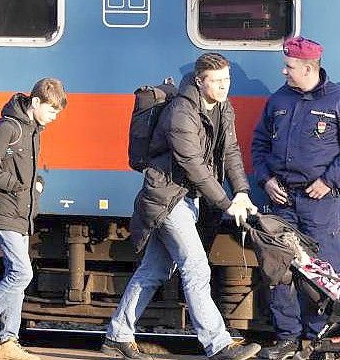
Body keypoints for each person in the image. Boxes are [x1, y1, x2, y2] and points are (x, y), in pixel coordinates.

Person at [101, 53, 261, 360]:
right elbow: (193, 165)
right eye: (217, 81)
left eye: (227, 80)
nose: (224, 86)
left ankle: (118, 335)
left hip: (188, 199)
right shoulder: (180, 112)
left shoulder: (224, 108)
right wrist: (225, 202)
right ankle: (218, 344)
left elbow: (230, 152)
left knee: (154, 269)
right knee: (196, 267)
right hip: (167, 198)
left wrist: (241, 191)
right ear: (200, 81)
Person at [252, 37, 340, 360]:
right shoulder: (278, 101)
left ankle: (318, 337)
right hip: (280, 201)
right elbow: (259, 145)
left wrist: (328, 181)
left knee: (325, 272)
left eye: (289, 67)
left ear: (308, 68)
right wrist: (265, 180)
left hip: (319, 202)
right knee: (277, 270)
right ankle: (288, 337)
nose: (284, 71)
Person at [0, 78, 67, 360]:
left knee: (14, 275)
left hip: (22, 212)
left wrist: (35, 184)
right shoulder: (10, 127)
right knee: (22, 273)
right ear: (36, 102)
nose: (54, 118)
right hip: (4, 210)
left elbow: (24, 171)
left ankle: (7, 342)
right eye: (52, 111)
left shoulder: (33, 131)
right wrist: (18, 186)